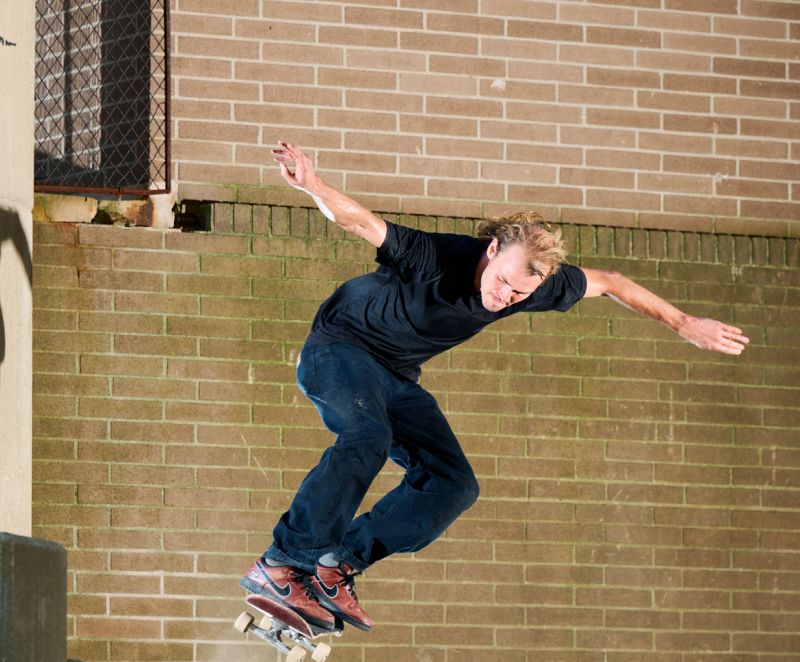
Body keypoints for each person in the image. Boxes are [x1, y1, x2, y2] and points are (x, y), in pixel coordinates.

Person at [242, 140, 750, 633]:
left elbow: (611, 281)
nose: (504, 297)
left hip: (395, 376)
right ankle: (282, 563)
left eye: (520, 294)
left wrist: (683, 322)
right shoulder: (435, 255)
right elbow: (360, 222)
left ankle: (334, 565)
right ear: (492, 250)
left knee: (453, 484)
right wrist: (312, 185)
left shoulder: (534, 285)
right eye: (502, 282)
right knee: (366, 438)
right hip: (339, 350)